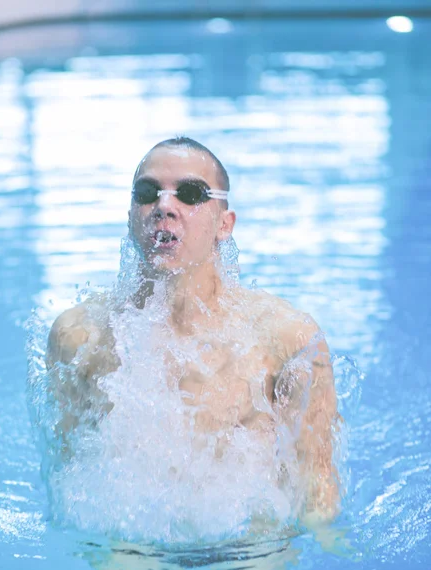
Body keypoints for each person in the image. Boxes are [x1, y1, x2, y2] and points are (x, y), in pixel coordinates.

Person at [45, 136, 340, 529]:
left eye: (190, 193)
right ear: (131, 213)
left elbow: (317, 491)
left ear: (224, 224)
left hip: (252, 544)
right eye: (148, 192)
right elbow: (68, 482)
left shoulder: (289, 340)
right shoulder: (78, 337)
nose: (164, 206)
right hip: (127, 545)